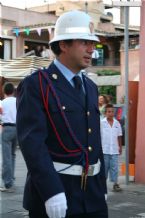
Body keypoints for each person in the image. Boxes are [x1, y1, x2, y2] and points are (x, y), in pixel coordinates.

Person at [16, 10, 108, 218]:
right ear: (64, 45)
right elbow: (32, 144)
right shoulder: (37, 84)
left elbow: (94, 140)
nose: (91, 49)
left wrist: (100, 186)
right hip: (57, 193)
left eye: (93, 43)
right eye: (84, 42)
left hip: (92, 196)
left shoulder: (91, 87)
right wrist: (51, 191)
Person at [100, 104, 122, 192]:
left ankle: (115, 184)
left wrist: (120, 147)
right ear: (105, 113)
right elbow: (98, 136)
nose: (111, 113)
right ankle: (102, 185)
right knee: (104, 168)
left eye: (112, 111)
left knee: (115, 168)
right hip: (104, 149)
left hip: (114, 150)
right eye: (109, 112)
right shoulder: (101, 123)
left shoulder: (117, 123)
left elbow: (119, 136)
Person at [0, 83, 17, 192]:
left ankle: (7, 183)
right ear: (13, 91)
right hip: (17, 128)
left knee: (6, 157)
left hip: (6, 129)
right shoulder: (18, 101)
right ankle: (11, 178)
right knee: (13, 155)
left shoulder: (2, 103)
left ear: (4, 91)